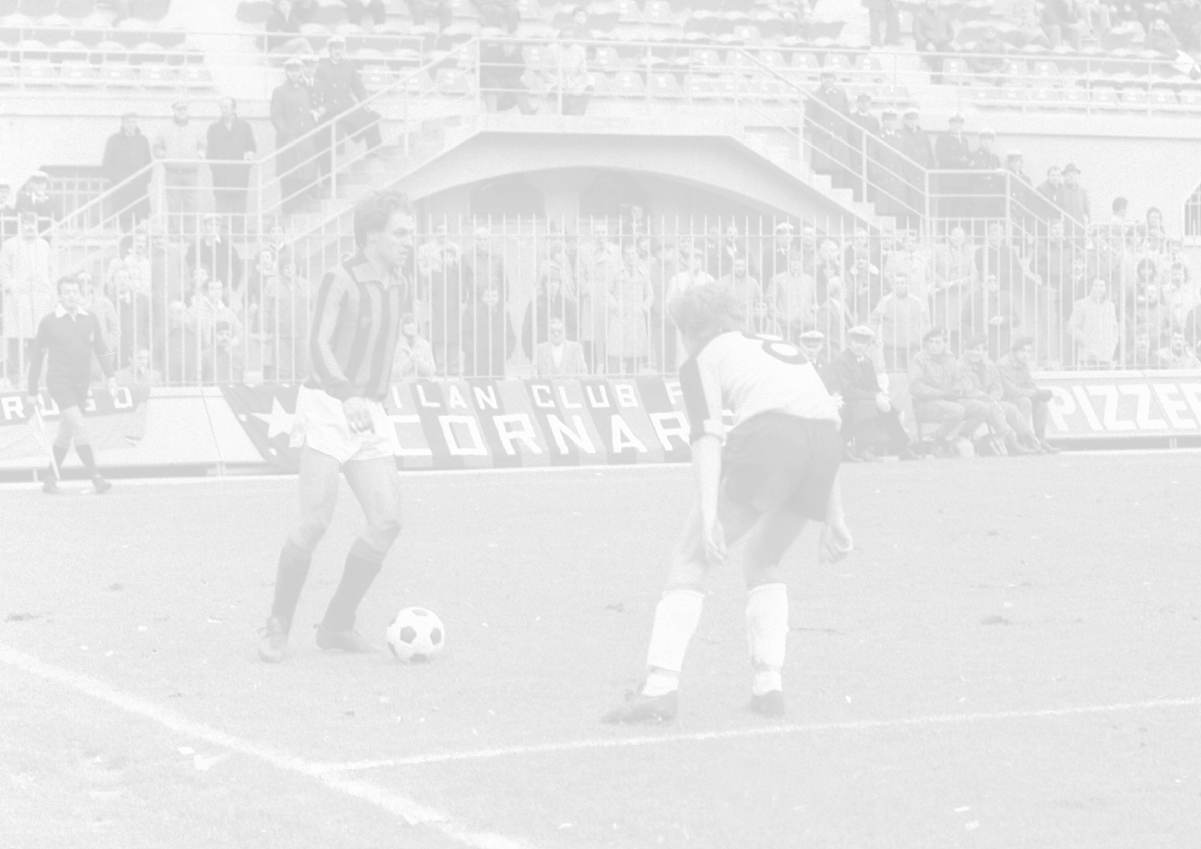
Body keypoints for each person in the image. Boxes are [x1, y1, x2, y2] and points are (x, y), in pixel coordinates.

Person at [602, 281, 852, 724]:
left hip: (773, 436)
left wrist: (710, 515)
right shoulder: (780, 346)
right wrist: (836, 516)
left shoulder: (704, 357)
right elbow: (821, 419)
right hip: (825, 446)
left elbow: (707, 435)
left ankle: (659, 689)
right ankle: (768, 686)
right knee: (762, 558)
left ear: (692, 330)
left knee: (690, 555)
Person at [258, 192, 415, 662]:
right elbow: (318, 344)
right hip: (329, 405)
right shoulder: (340, 279)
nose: (409, 242)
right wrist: (346, 395)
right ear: (372, 235)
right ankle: (278, 625)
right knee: (316, 521)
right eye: (400, 233)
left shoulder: (400, 282)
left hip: (369, 411)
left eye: (410, 233)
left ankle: (336, 625)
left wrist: (404, 362)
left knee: (387, 521)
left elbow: (387, 340)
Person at [26, 275, 118, 494]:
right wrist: (32, 390)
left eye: (75, 291)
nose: (71, 296)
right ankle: (96, 477)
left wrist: (111, 376)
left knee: (65, 433)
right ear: (59, 296)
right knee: (79, 426)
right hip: (59, 382)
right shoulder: (49, 322)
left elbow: (101, 348)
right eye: (66, 292)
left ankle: (49, 478)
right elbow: (37, 356)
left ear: (80, 294)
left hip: (81, 383)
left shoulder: (90, 318)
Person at [828, 325, 916, 460]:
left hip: (863, 399)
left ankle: (903, 448)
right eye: (856, 342)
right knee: (866, 406)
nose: (859, 346)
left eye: (863, 343)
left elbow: (873, 385)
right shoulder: (841, 360)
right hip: (846, 401)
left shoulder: (868, 362)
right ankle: (864, 449)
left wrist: (880, 396)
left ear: (868, 345)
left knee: (887, 408)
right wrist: (874, 397)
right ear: (850, 342)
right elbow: (847, 390)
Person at [907, 327, 987, 457]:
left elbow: (959, 380)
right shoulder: (919, 359)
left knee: (982, 408)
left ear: (945, 344)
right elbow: (915, 387)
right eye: (930, 342)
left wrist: (958, 389)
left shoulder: (950, 358)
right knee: (957, 410)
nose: (933, 346)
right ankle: (938, 441)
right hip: (925, 404)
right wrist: (942, 394)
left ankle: (961, 438)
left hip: (949, 401)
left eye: (937, 342)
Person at [959, 335, 1038, 455]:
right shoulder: (960, 367)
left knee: (1011, 408)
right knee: (994, 408)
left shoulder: (989, 365)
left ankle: (1029, 439)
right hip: (967, 401)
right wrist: (989, 399)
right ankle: (1010, 441)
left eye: (979, 349)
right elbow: (969, 391)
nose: (975, 353)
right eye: (971, 349)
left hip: (989, 401)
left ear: (984, 351)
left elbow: (997, 387)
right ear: (966, 350)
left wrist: (993, 397)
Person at [313, 35, 383, 167]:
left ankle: (373, 150)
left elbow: (358, 87)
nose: (338, 51)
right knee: (325, 136)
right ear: (330, 50)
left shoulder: (349, 66)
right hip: (330, 107)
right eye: (335, 48)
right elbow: (317, 90)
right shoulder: (322, 68)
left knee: (371, 117)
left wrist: (365, 103)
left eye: (340, 48)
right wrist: (320, 108)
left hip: (346, 105)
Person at [1, 213, 54, 381]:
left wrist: (48, 289)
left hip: (39, 297)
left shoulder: (44, 245)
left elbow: (51, 269)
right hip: (18, 297)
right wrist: (12, 287)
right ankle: (15, 375)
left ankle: (35, 374)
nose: (30, 227)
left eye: (33, 224)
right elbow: (3, 270)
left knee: (37, 336)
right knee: (16, 337)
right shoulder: (10, 245)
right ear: (20, 225)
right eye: (26, 223)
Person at [270, 57, 319, 215]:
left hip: (304, 145)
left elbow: (307, 116)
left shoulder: (304, 92)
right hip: (288, 144)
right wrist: (287, 134)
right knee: (289, 180)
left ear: (301, 72)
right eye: (291, 71)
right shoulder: (279, 91)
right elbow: (276, 117)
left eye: (297, 70)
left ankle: (301, 215)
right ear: (286, 72)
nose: (294, 74)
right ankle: (288, 216)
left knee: (303, 179)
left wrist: (308, 135)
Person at [996, 337, 1058, 452]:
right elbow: (1011, 391)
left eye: (1029, 351)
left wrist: (1039, 393)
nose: (1026, 354)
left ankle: (1040, 438)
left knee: (1041, 402)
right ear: (1015, 351)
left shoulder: (1023, 364)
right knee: (1025, 402)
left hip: (1015, 398)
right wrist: (1036, 393)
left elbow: (1030, 385)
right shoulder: (1003, 365)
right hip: (1003, 399)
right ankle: (1023, 439)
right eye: (1023, 350)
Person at [153, 101, 207, 234]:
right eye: (178, 109)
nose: (181, 111)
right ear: (173, 111)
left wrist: (201, 154)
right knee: (173, 205)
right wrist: (163, 155)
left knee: (191, 205)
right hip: (172, 172)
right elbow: (157, 146)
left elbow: (203, 145)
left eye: (184, 109)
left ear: (187, 111)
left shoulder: (196, 128)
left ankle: (189, 234)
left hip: (191, 173)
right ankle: (175, 234)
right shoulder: (165, 129)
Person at [101, 113, 153, 232]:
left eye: (133, 122)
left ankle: (140, 240)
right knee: (125, 219)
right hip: (122, 188)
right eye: (128, 122)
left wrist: (145, 179)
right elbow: (107, 164)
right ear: (122, 124)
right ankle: (126, 241)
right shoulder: (114, 140)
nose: (131, 125)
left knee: (142, 219)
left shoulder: (142, 140)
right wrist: (120, 179)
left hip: (139, 187)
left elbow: (148, 163)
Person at [207, 97, 258, 217]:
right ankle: (222, 229)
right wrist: (216, 168)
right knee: (221, 210)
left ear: (234, 109)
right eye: (221, 107)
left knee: (239, 209)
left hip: (239, 174)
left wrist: (246, 165)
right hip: (221, 176)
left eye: (226, 107)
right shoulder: (214, 128)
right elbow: (210, 151)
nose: (223, 110)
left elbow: (251, 147)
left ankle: (238, 229)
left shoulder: (244, 126)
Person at [869, 271, 929, 370]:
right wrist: (874, 337)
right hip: (892, 349)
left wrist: (924, 339)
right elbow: (874, 320)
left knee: (913, 374)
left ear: (907, 284)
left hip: (912, 348)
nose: (900, 286)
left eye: (902, 283)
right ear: (893, 285)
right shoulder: (886, 301)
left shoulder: (916, 302)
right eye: (897, 283)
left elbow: (925, 321)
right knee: (894, 375)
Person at [393, 312, 435, 379]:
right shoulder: (395, 346)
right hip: (402, 383)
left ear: (418, 327)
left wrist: (417, 361)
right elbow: (392, 372)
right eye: (407, 324)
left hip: (421, 382)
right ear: (402, 328)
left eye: (414, 323)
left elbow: (431, 371)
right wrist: (410, 361)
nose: (411, 326)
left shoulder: (425, 344)